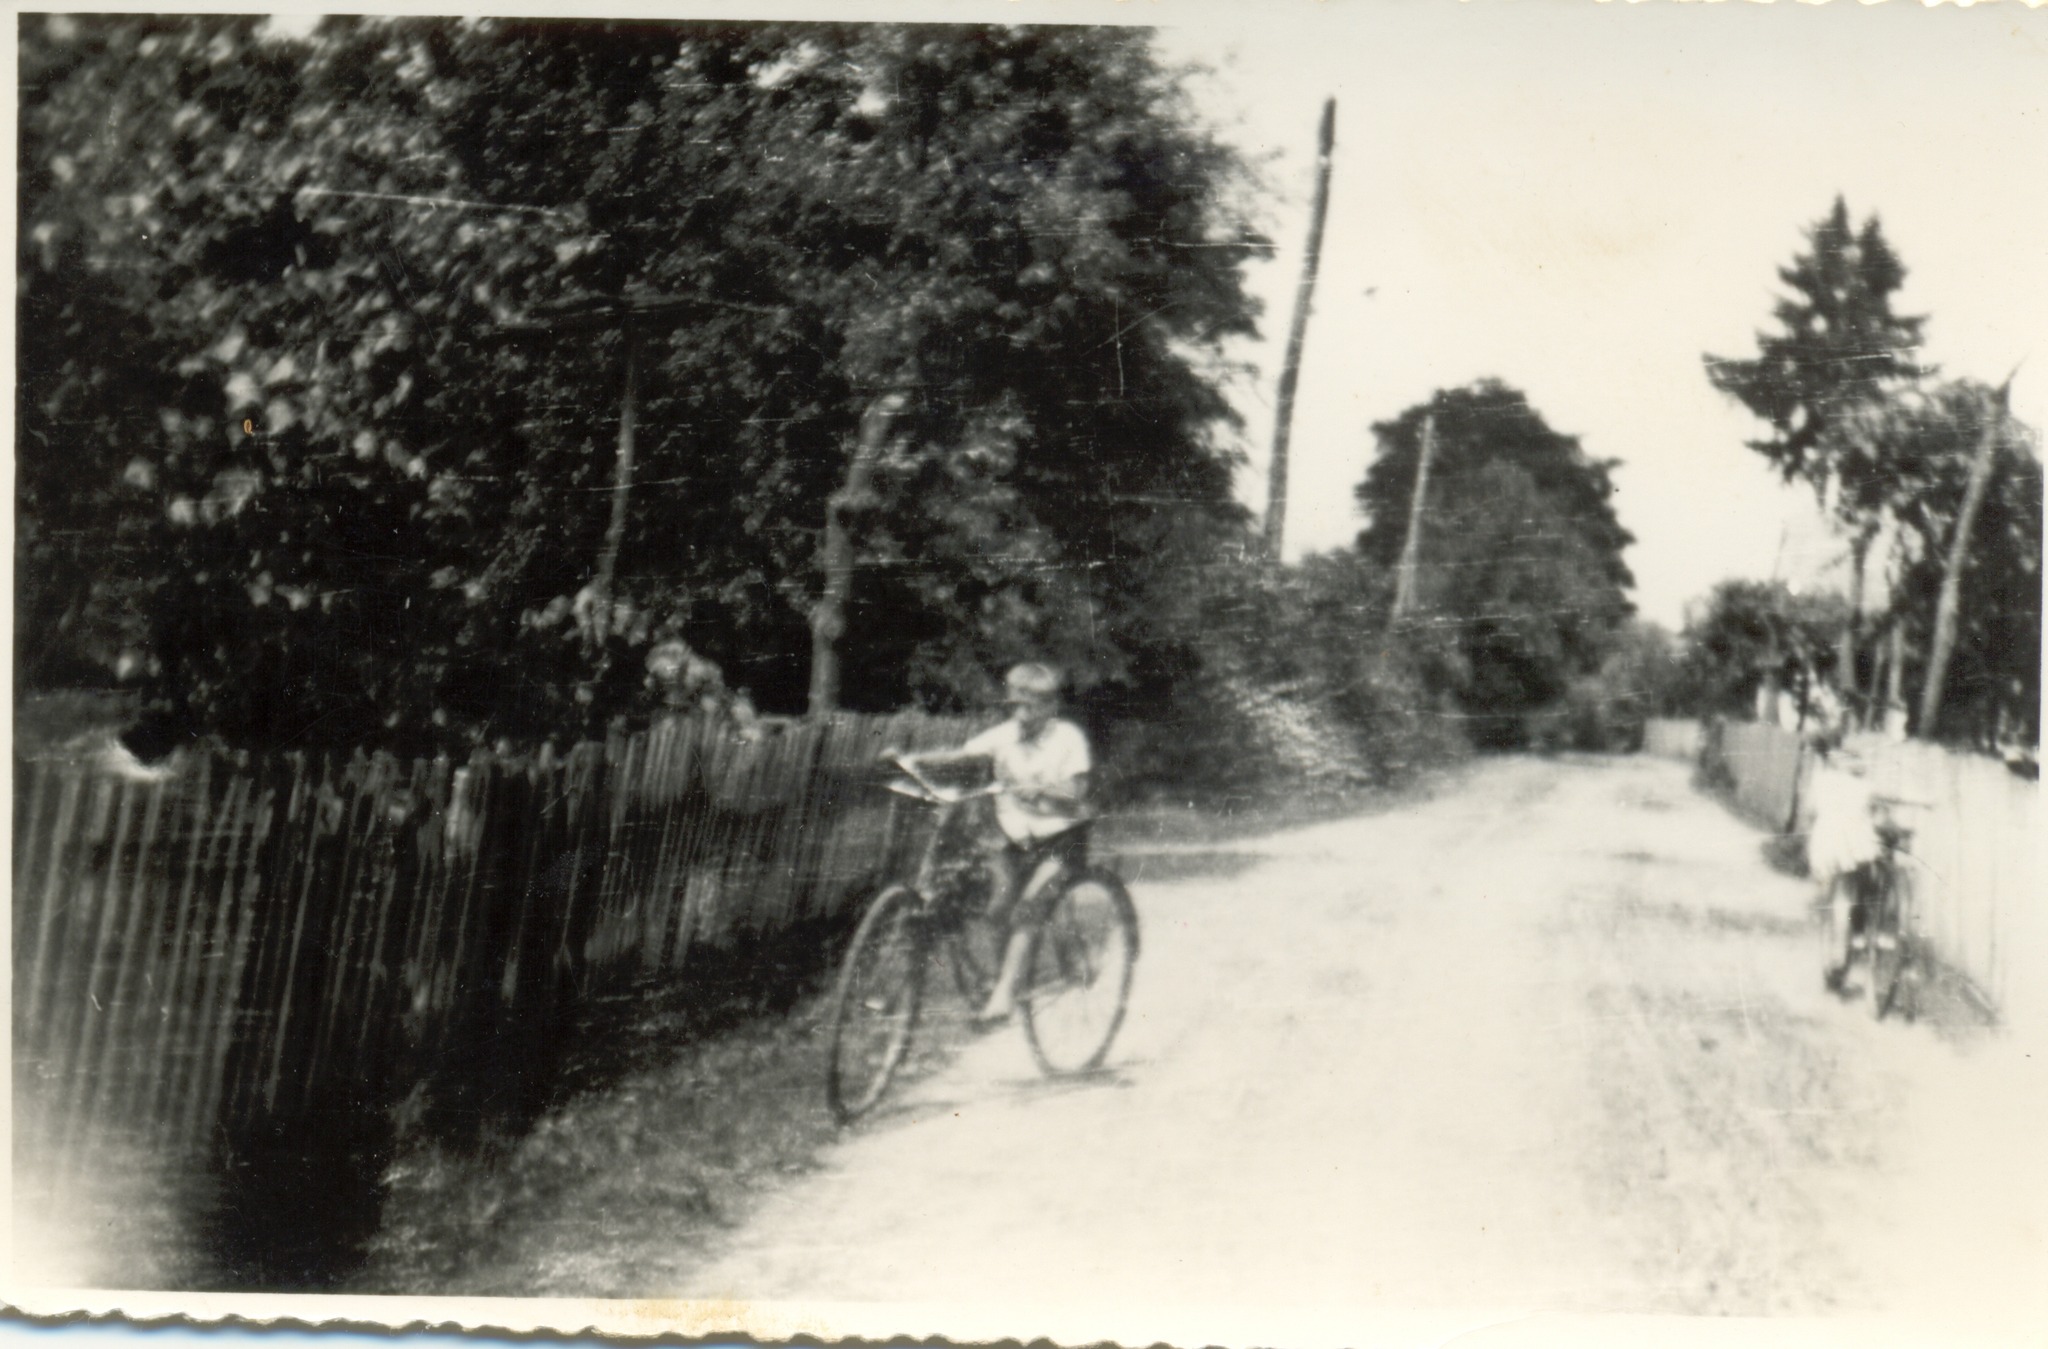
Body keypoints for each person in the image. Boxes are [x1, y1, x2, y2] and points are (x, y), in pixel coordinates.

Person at [899, 662, 1093, 1023]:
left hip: (1061, 837)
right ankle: (1011, 977)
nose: (1021, 714)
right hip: (1015, 838)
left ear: (1051, 707)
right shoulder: (1004, 735)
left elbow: (1077, 792)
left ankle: (1003, 996)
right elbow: (963, 756)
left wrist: (1044, 789)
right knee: (998, 908)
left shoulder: (1068, 738)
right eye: (1014, 706)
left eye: (1031, 707)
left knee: (1029, 908)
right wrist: (913, 761)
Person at [1805, 735, 1881, 994]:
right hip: (1851, 847)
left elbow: (1811, 810)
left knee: (1833, 895)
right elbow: (1873, 809)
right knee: (1845, 898)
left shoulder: (1823, 781)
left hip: (1826, 844)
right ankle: (1841, 952)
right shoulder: (1864, 787)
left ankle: (1836, 955)